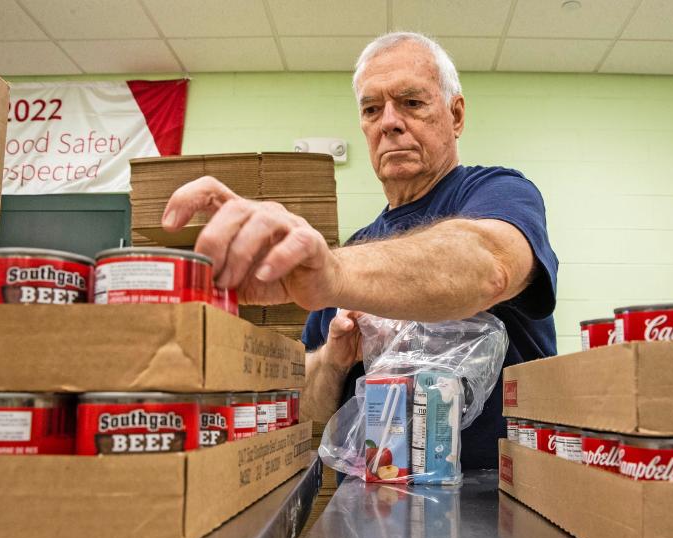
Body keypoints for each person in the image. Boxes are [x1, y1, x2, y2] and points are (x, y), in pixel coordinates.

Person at [161, 32, 558, 469]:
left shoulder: (500, 193)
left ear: (456, 114)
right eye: (372, 109)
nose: (389, 122)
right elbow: (311, 410)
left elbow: (487, 265)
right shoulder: (356, 248)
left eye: (411, 102)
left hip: (496, 497)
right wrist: (332, 360)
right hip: (377, 497)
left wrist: (334, 272)